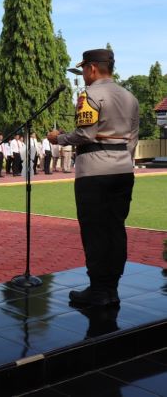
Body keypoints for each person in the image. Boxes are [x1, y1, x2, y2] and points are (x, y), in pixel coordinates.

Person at [49, 48, 139, 306]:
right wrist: (122, 159)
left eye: (85, 69)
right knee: (115, 228)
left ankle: (99, 290)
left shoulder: (89, 94)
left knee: (94, 230)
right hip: (123, 169)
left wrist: (59, 139)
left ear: (91, 68)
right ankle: (111, 288)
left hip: (94, 171)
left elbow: (85, 135)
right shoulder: (129, 96)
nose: (85, 74)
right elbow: (133, 138)